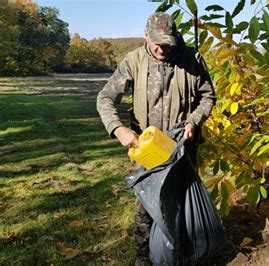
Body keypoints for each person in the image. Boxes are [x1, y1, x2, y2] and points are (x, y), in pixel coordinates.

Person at [96, 11, 216, 265]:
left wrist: (194, 121)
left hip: (182, 149)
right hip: (148, 151)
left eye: (167, 43)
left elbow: (208, 97)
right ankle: (144, 259)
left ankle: (184, 256)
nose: (162, 49)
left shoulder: (192, 59)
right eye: (157, 43)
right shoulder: (134, 61)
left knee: (183, 207)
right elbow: (105, 98)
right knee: (147, 210)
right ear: (145, 36)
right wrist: (118, 129)